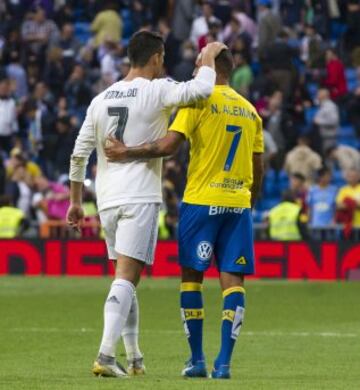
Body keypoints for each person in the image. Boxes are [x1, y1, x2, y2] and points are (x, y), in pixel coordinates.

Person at [66, 31, 223, 378]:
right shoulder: (157, 89)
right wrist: (209, 55)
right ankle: (106, 356)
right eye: (162, 57)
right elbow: (201, 90)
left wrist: (76, 202)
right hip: (139, 196)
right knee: (126, 277)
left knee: (125, 277)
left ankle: (134, 357)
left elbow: (78, 155)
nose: (163, 63)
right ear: (156, 57)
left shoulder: (100, 99)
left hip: (107, 201)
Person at [104, 48, 264, 379]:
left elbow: (167, 146)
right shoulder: (251, 112)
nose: (194, 73)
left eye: (198, 66)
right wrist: (248, 201)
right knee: (233, 283)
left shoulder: (197, 102)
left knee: (192, 278)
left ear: (213, 68)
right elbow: (257, 166)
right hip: (238, 204)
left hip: (201, 201)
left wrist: (124, 152)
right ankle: (224, 364)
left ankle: (197, 361)